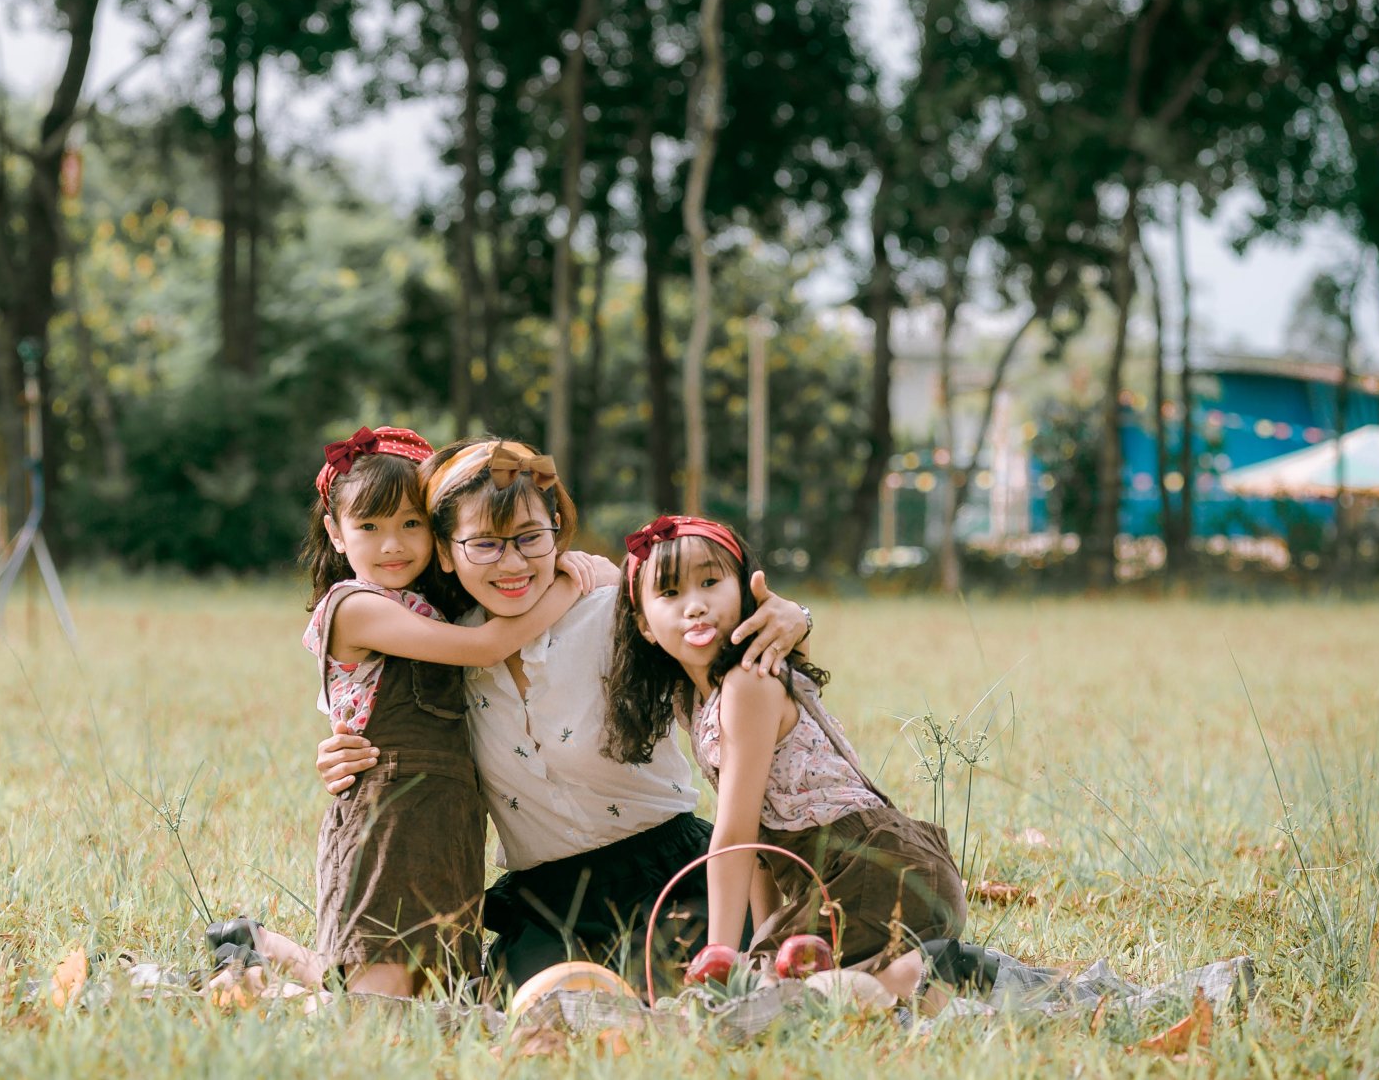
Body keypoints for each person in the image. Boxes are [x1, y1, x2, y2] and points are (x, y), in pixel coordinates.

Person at [314, 437, 815, 990]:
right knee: (541, 1010)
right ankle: (277, 959)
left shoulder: (619, 614)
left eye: (531, 538)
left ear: (557, 527)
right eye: (483, 544)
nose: (512, 562)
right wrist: (342, 747)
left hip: (668, 872)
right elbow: (384, 711)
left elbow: (735, 653)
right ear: (446, 550)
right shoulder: (443, 648)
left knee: (707, 992)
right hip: (550, 904)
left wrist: (794, 618)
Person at [232, 425, 610, 999]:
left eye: (411, 524)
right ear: (335, 533)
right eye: (370, 527)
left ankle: (270, 949)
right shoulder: (353, 607)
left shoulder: (439, 606)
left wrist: (589, 566)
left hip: (454, 822)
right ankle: (257, 967)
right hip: (385, 818)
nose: (393, 545)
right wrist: (565, 581)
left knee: (439, 999)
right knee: (377, 1011)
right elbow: (485, 649)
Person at [601, 514, 966, 968]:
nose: (694, 606)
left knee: (759, 988)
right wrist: (763, 937)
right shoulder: (695, 700)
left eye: (710, 582)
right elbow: (758, 838)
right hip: (838, 879)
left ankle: (952, 976)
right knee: (771, 973)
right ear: (645, 626)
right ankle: (920, 973)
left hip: (874, 870)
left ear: (743, 590)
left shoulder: (747, 683)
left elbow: (734, 836)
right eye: (670, 593)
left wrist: (720, 957)